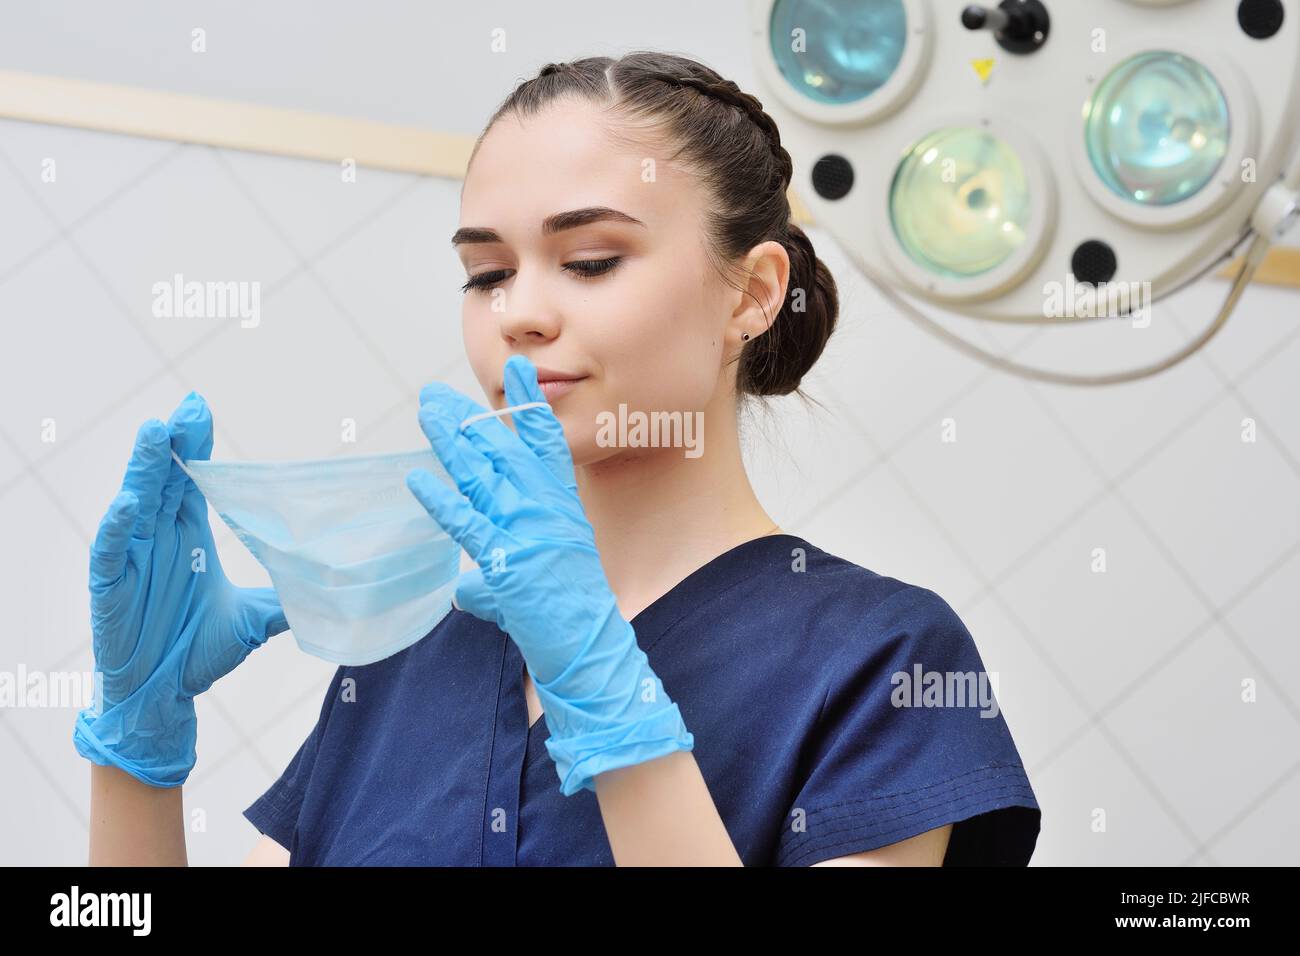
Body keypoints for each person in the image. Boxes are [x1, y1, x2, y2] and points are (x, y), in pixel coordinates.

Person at [78, 51, 1041, 866]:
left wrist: (613, 712)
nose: (519, 313)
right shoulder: (411, 650)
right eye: (486, 274)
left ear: (753, 295)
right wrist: (135, 750)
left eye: (589, 261)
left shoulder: (879, 662)